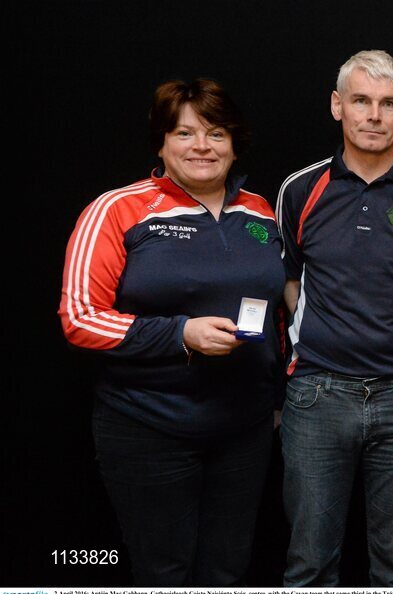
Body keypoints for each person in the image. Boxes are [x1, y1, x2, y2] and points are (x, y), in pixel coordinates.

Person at [58, 79, 283, 585]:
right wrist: (181, 334)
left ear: (234, 143)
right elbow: (79, 317)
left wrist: (277, 396)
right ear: (161, 143)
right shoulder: (118, 209)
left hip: (244, 432)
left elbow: (276, 315)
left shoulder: (260, 211)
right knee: (167, 572)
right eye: (185, 133)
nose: (202, 146)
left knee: (228, 569)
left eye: (216, 133)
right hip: (149, 428)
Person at [275, 49, 393, 586]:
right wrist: (330, 333)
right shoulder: (301, 189)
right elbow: (290, 282)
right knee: (309, 561)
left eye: (387, 104)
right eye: (361, 101)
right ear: (338, 106)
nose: (374, 116)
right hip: (316, 397)